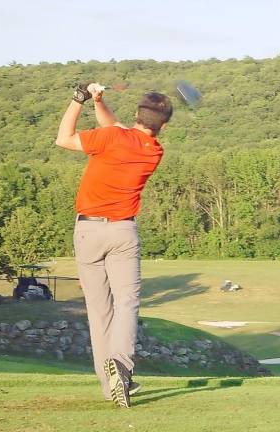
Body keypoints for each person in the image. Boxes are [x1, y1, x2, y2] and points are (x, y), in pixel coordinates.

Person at [55, 83, 173, 408]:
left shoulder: (111, 138)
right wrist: (99, 102)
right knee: (127, 304)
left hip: (88, 231)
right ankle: (120, 368)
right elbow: (118, 129)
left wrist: (79, 99)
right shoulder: (153, 149)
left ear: (136, 114)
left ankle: (111, 386)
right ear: (162, 125)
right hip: (123, 233)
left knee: (99, 310)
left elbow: (63, 138)